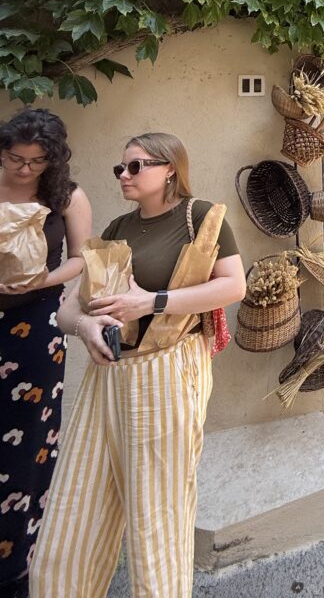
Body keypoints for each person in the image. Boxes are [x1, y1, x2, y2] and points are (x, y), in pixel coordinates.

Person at [29, 132, 246, 598]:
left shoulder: (200, 217)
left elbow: (233, 286)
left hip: (166, 373)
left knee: (156, 517)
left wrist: (152, 301)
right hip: (106, 375)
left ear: (169, 169)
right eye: (120, 169)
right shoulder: (118, 227)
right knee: (75, 507)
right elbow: (68, 308)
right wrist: (85, 327)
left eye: (135, 166)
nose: (124, 176)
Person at [0, 109, 92, 598]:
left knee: (27, 442)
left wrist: (40, 280)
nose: (24, 169)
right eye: (16, 158)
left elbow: (80, 258)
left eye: (36, 161)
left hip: (36, 326)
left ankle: (15, 565)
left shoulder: (66, 196)